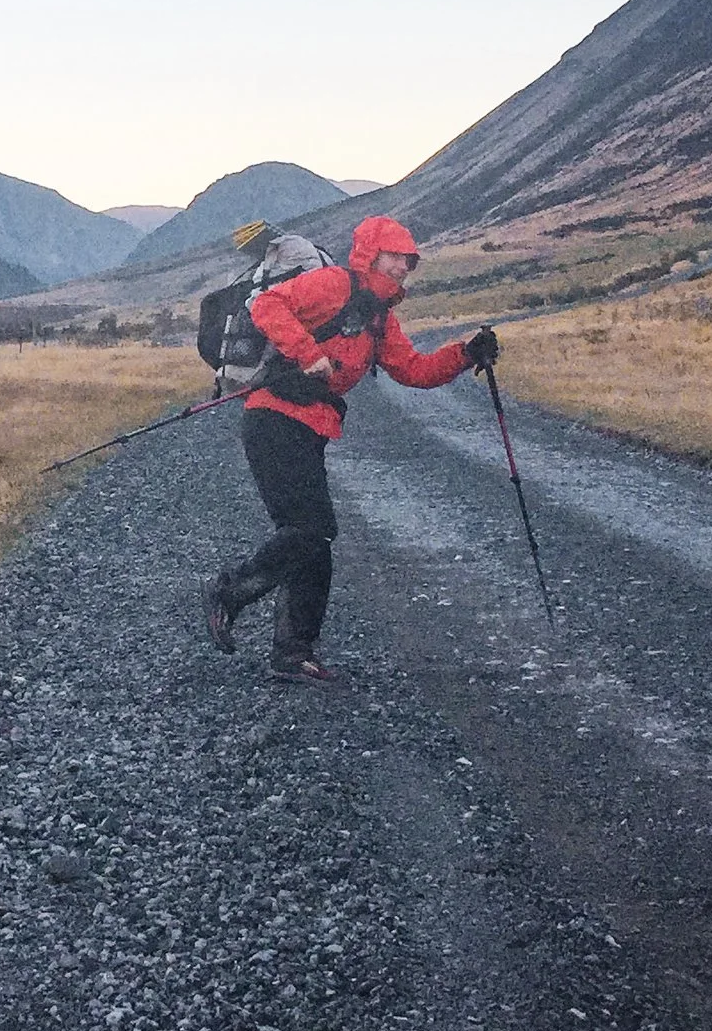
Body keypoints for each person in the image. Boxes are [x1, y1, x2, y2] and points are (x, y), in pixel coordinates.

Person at [200, 215, 497, 684]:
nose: (404, 267)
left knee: (313, 539)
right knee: (311, 529)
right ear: (371, 255)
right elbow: (267, 305)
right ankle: (230, 591)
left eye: (410, 260)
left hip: (309, 427)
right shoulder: (334, 284)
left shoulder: (379, 319)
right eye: (396, 256)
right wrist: (308, 354)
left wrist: (465, 354)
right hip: (273, 418)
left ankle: (292, 653)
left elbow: (414, 370)